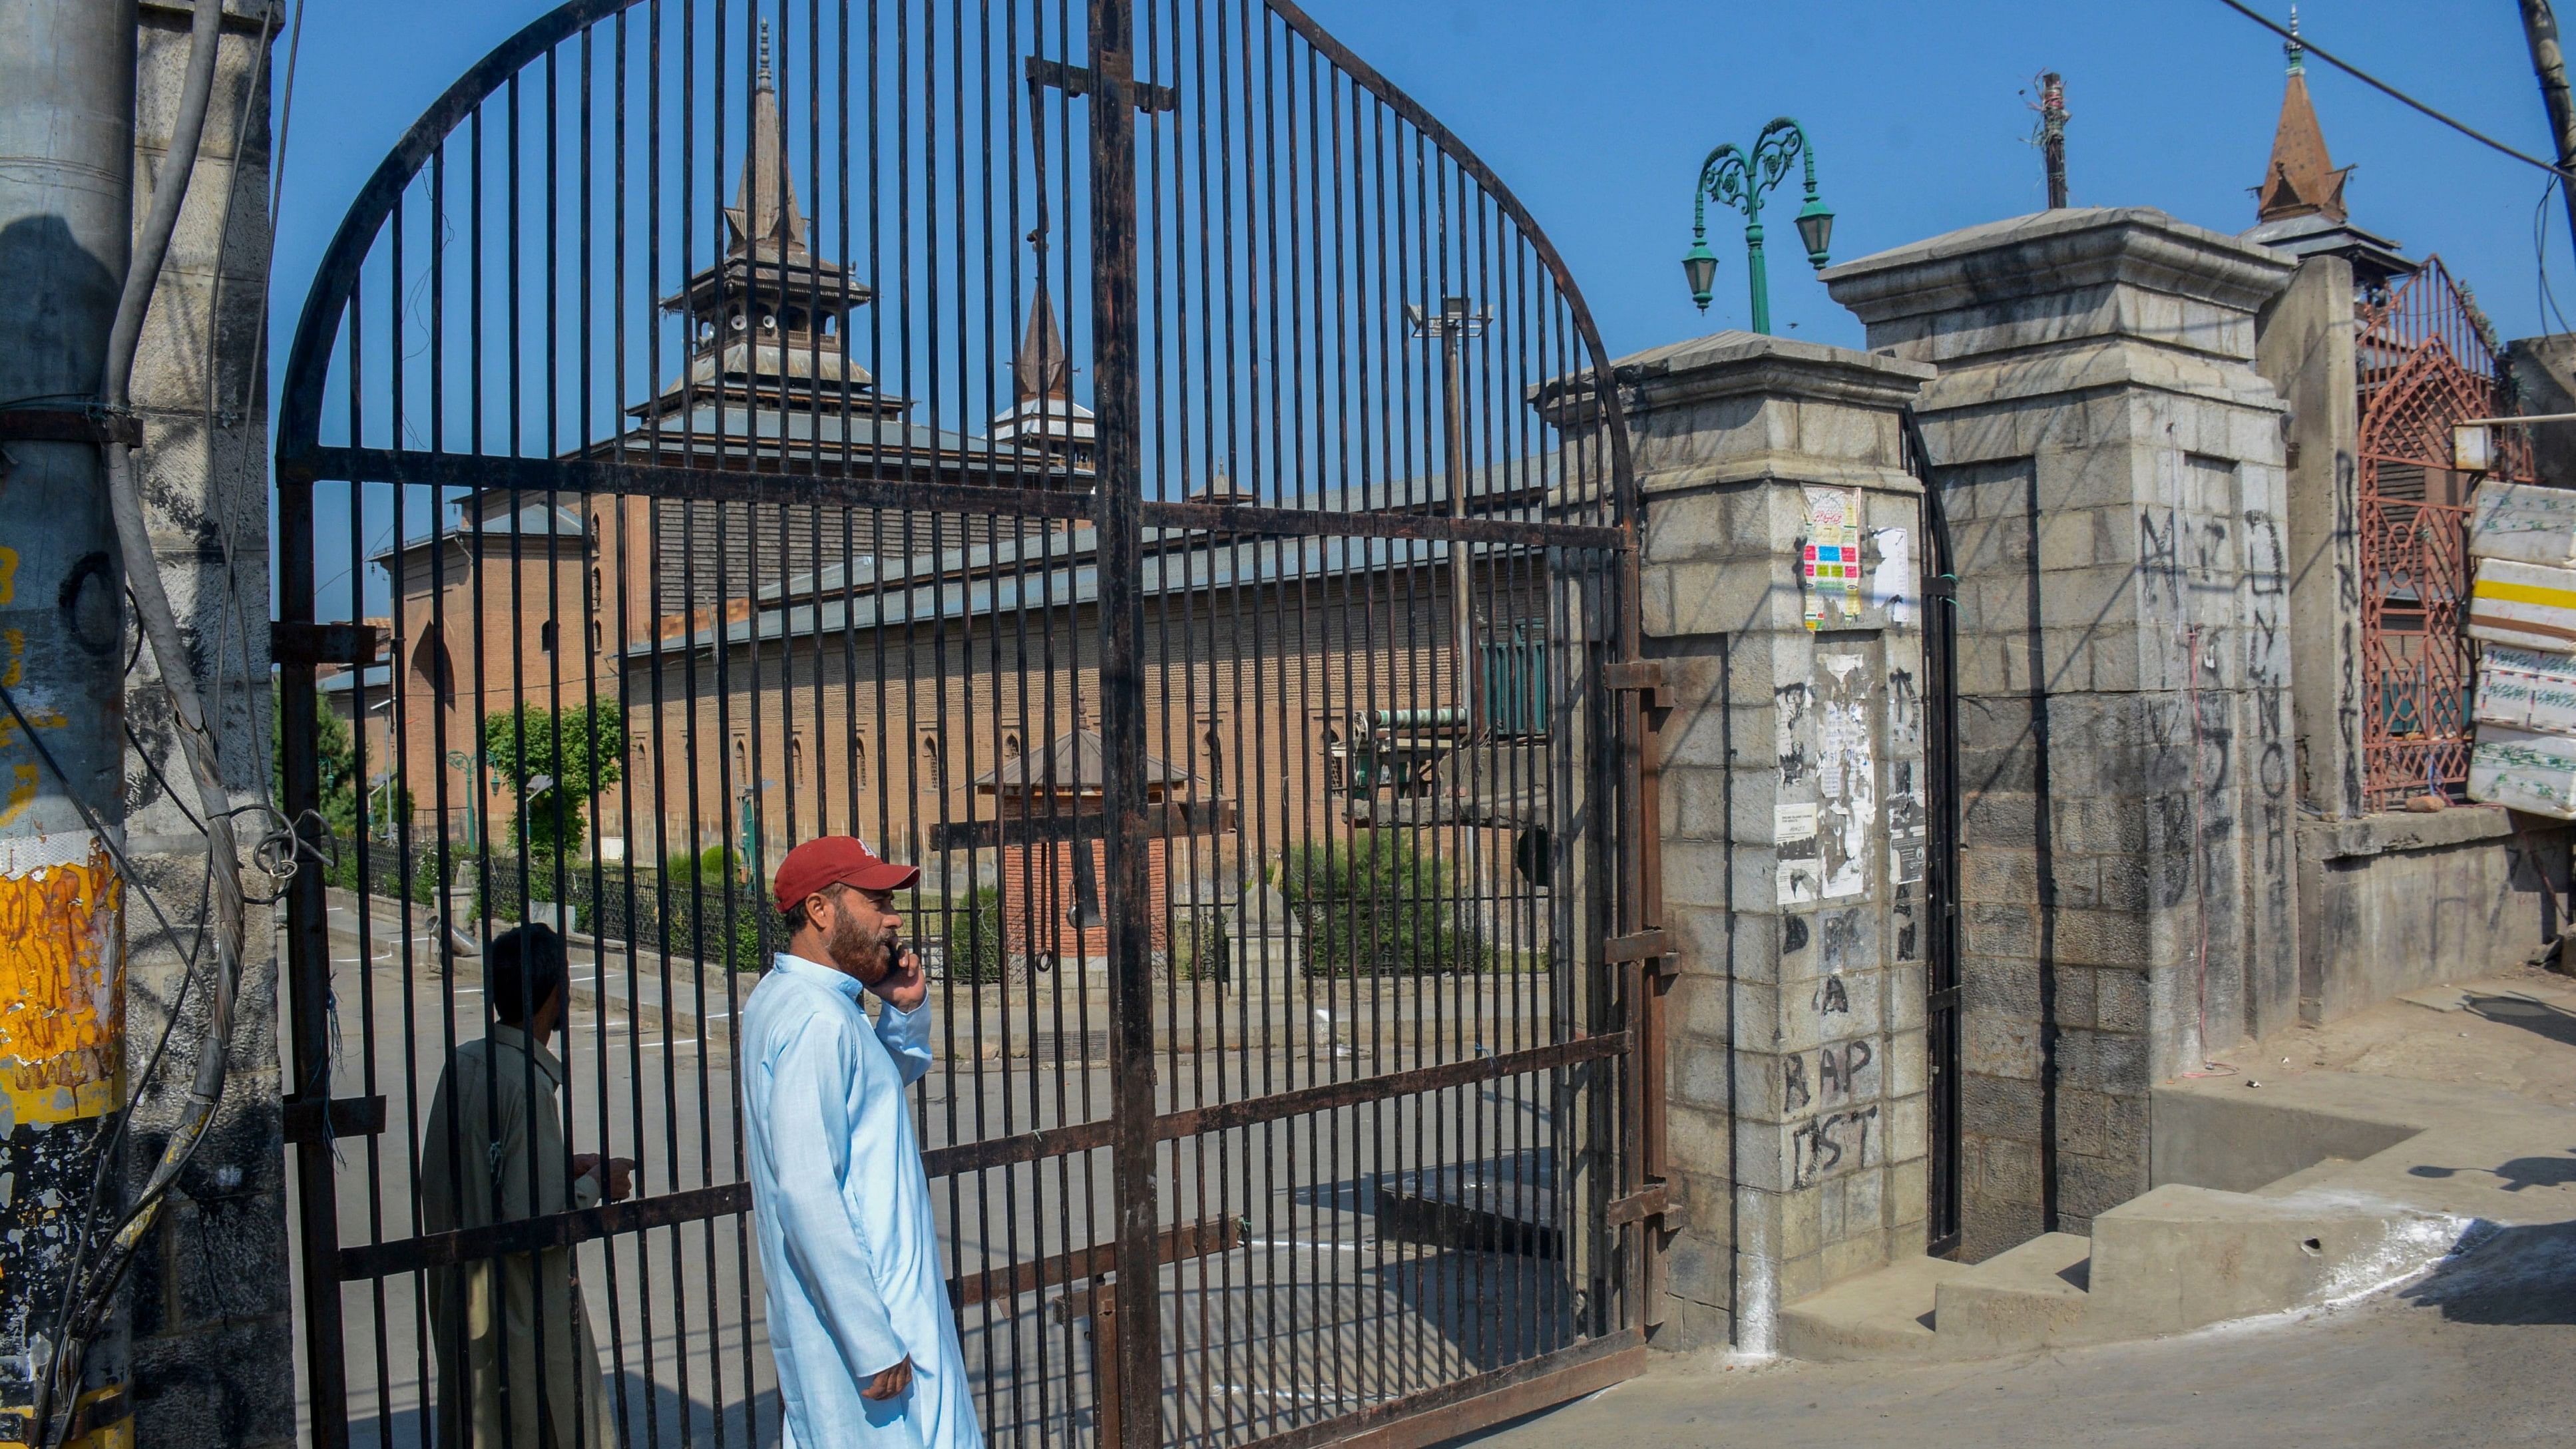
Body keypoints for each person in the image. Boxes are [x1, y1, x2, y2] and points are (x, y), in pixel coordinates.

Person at [742, 837, 983, 1449]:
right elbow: (806, 1191)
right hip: (875, 1329)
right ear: (820, 909)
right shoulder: (816, 1021)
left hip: (872, 1322)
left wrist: (903, 1010)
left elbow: (867, 1094)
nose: (894, 916)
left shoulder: (797, 1001)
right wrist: (871, 1339)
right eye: (876, 899)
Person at [419, 923, 636, 1449]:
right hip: (520, 1310)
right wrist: (594, 1187)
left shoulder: (466, 1063)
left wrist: (558, 1168)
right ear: (552, 990)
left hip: (464, 1295)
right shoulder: (525, 1081)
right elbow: (536, 1222)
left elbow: (466, 1172)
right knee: (542, 1420)